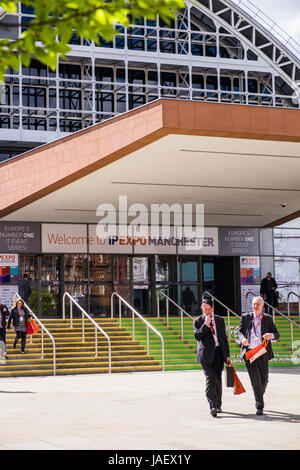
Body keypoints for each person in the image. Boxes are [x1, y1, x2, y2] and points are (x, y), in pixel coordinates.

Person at [237, 296, 280, 415]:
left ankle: (259, 395)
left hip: (262, 353)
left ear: (262, 306)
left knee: (264, 380)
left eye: (258, 304)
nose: (255, 306)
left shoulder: (268, 318)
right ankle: (259, 406)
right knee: (255, 381)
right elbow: (239, 332)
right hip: (250, 353)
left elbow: (277, 334)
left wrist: (269, 335)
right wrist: (243, 339)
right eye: (254, 304)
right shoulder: (246, 317)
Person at [193, 297, 231, 417]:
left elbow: (224, 339)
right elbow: (198, 336)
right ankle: (212, 406)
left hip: (219, 353)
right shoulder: (198, 321)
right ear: (201, 308)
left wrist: (227, 355)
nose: (207, 312)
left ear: (213, 307)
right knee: (210, 379)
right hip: (206, 355)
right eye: (205, 309)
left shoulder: (220, 320)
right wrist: (206, 324)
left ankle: (218, 404)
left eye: (209, 309)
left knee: (218, 379)